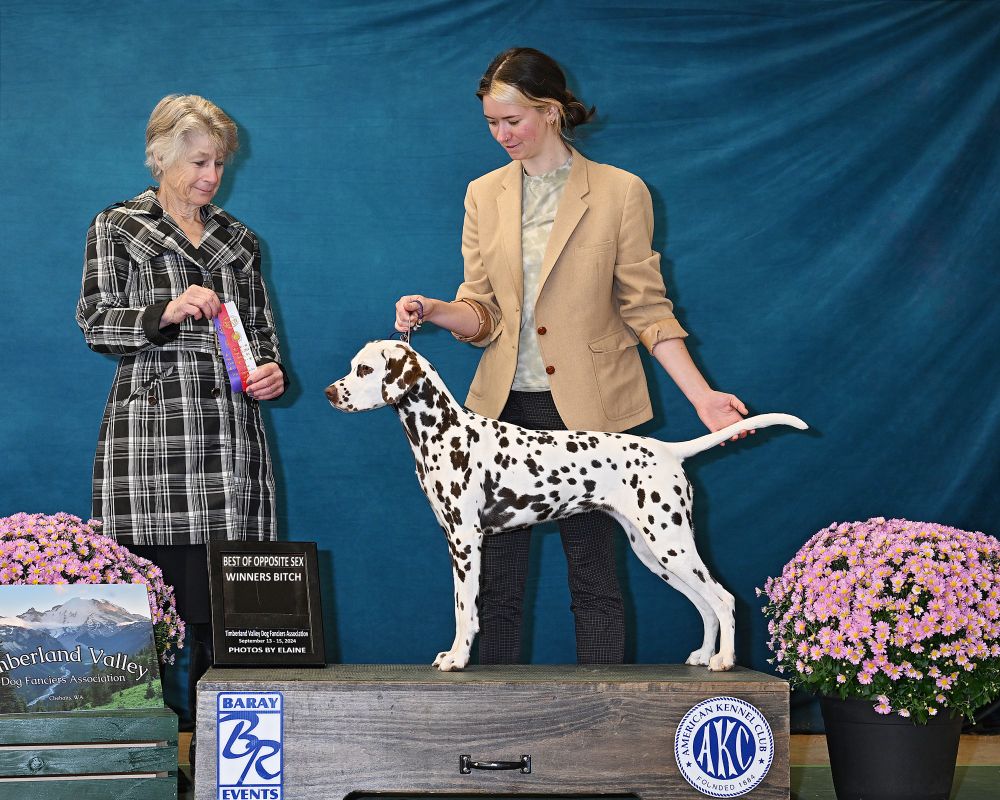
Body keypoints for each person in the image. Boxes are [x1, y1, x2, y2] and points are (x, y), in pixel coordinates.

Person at [394, 48, 750, 666]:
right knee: (497, 587)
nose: (501, 135)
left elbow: (647, 309)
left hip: (593, 409)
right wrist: (434, 308)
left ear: (553, 111)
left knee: (595, 584)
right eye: (491, 124)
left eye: (514, 121)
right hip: (499, 412)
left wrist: (703, 398)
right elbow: (481, 312)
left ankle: (602, 727)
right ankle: (498, 731)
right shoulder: (483, 194)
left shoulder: (620, 192)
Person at [76, 94, 286, 735]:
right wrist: (164, 310)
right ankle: (143, 756)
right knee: (136, 622)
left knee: (224, 618)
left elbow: (262, 336)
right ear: (160, 155)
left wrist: (270, 373)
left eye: (219, 164)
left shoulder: (240, 242)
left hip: (229, 449)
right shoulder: (117, 227)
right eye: (199, 162)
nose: (210, 177)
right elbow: (95, 323)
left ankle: (226, 755)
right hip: (149, 452)